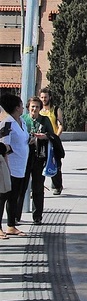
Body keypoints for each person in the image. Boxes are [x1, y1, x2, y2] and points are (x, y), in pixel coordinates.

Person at [22, 97, 56, 225]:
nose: (34, 109)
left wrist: (44, 136)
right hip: (24, 157)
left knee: (37, 187)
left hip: (39, 156)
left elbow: (52, 136)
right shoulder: (23, 120)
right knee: (21, 187)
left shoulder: (44, 120)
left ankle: (37, 216)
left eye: (37, 107)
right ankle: (14, 217)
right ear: (28, 107)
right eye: (32, 106)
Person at [0, 94, 30, 236]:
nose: (23, 107)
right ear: (16, 107)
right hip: (9, 167)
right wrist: (6, 167)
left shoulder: (22, 122)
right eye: (21, 105)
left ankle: (11, 225)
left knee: (14, 197)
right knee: (3, 198)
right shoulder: (7, 123)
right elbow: (4, 146)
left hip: (21, 166)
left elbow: (23, 139)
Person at [39, 89, 64, 195]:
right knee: (40, 165)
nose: (44, 99)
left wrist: (55, 138)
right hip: (41, 142)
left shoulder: (55, 110)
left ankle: (57, 186)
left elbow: (60, 125)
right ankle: (38, 186)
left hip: (53, 141)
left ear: (50, 97)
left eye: (46, 97)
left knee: (55, 164)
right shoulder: (39, 111)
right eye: (42, 97)